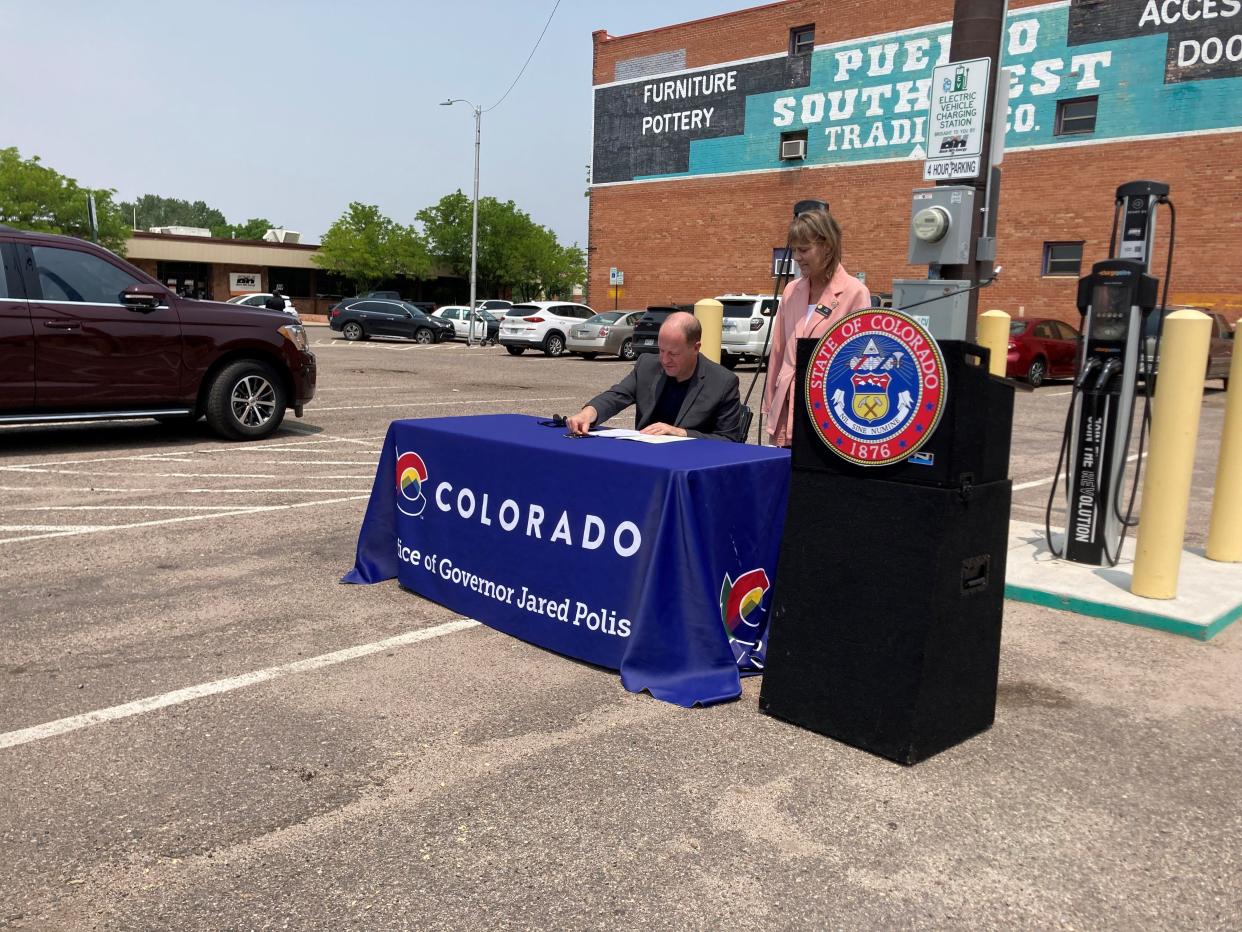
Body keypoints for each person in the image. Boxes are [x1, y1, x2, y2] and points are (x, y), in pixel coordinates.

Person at [761, 209, 871, 447]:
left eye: (804, 250)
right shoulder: (791, 291)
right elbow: (778, 352)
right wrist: (771, 403)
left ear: (827, 247)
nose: (797, 258)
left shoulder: (854, 293)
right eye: (795, 250)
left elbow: (859, 361)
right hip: (786, 407)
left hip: (829, 412)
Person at [565, 311, 743, 442]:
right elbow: (617, 395)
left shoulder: (723, 382)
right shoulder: (647, 366)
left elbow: (729, 440)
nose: (665, 360)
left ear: (696, 348)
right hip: (647, 462)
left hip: (691, 468)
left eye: (673, 354)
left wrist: (681, 433)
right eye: (661, 350)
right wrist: (589, 412)